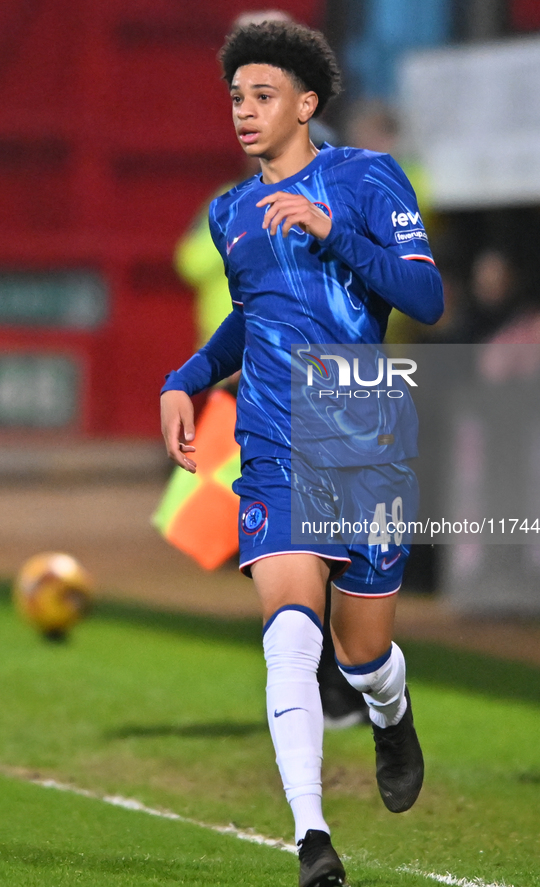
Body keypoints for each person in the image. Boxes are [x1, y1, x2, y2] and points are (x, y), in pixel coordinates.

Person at [160, 20, 443, 887]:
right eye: (236, 97)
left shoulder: (365, 178)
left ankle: (390, 713)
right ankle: (312, 839)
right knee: (290, 638)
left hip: (366, 439)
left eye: (262, 95)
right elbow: (253, 312)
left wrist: (331, 229)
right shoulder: (229, 213)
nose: (243, 112)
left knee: (361, 657)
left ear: (307, 103)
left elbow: (424, 297)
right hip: (276, 443)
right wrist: (187, 375)